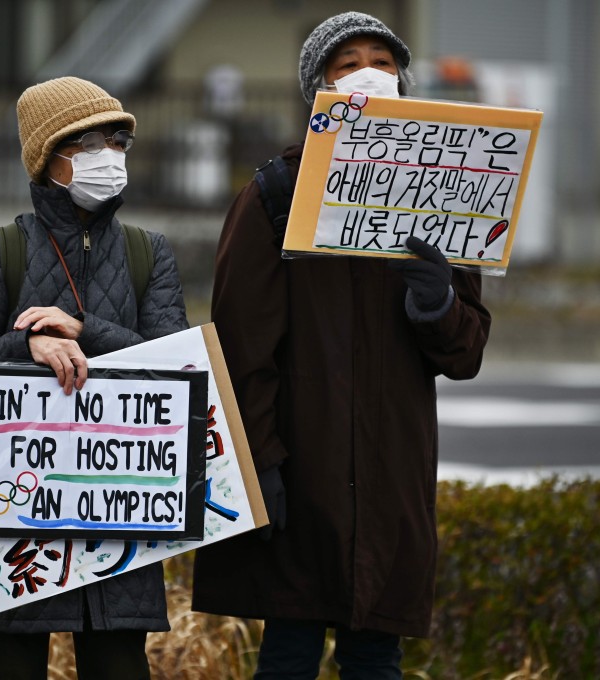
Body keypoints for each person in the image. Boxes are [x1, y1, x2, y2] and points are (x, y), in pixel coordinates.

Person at [191, 12, 492, 679]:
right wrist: (261, 464)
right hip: (301, 472)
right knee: (291, 649)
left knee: (374, 654)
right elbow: (242, 349)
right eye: (347, 62)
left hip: (392, 476)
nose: (368, 74)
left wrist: (437, 302)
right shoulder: (274, 195)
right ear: (319, 90)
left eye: (383, 62)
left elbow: (465, 353)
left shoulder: (442, 190)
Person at [0, 76, 189, 680]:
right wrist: (27, 345)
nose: (111, 156)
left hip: (118, 524)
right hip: (13, 533)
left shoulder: (149, 253)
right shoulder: (1, 250)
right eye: (92, 142)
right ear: (51, 159)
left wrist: (83, 329)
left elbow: (177, 370)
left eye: (118, 142)